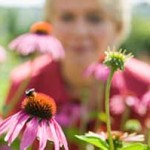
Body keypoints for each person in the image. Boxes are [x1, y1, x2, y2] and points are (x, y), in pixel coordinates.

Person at [4, 0, 150, 149]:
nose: (80, 32)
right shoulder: (24, 83)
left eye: (95, 18)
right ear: (50, 24)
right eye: (67, 17)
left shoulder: (145, 86)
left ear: (118, 27)